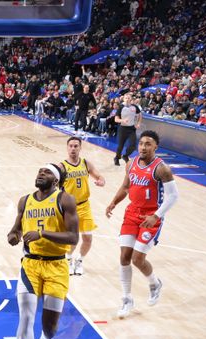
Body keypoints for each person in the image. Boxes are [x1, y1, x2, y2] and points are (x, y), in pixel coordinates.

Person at [7, 164, 78, 339]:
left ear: (56, 180)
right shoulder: (25, 201)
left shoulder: (65, 200)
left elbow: (73, 237)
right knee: (25, 319)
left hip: (57, 266)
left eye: (46, 172)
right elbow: (16, 229)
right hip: (30, 265)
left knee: (50, 326)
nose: (40, 174)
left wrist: (44, 234)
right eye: (38, 170)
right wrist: (13, 236)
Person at [105, 130, 178, 319]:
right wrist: (114, 202)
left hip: (150, 217)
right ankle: (126, 298)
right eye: (141, 143)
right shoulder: (131, 163)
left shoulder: (162, 169)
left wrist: (156, 215)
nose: (143, 147)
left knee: (138, 259)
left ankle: (154, 284)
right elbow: (126, 187)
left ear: (156, 147)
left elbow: (173, 196)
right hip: (132, 213)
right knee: (124, 256)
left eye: (148, 144)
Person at [60, 136, 106, 275]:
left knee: (88, 238)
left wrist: (101, 181)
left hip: (84, 206)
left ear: (80, 148)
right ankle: (68, 260)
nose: (73, 148)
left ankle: (79, 260)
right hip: (69, 208)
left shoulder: (86, 163)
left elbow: (99, 176)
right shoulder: (62, 166)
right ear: (67, 148)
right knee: (73, 239)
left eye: (76, 146)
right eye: (71, 146)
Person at [113, 93, 141, 166]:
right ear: (124, 99)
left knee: (133, 145)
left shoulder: (134, 107)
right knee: (120, 145)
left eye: (129, 98)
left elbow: (140, 115)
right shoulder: (121, 107)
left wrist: (138, 123)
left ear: (131, 99)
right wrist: (123, 120)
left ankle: (125, 156)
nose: (127, 99)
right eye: (126, 98)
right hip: (123, 128)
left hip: (131, 128)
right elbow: (116, 119)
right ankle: (117, 158)